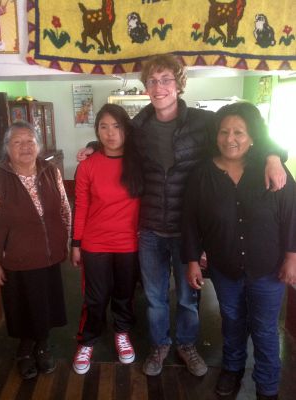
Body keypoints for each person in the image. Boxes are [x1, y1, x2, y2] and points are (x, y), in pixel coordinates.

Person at [77, 54, 287, 377]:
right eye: (152, 81)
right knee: (156, 298)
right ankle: (160, 344)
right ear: (145, 86)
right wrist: (92, 145)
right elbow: (112, 142)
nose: (158, 87)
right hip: (149, 228)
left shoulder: (204, 123)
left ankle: (186, 344)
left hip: (189, 229)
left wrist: (275, 154)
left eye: (165, 80)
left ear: (178, 84)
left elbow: (246, 131)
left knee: (189, 298)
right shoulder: (137, 127)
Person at [182, 102, 296, 400]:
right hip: (224, 268)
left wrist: (292, 258)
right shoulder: (202, 174)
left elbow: (292, 216)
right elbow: (190, 221)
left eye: (239, 132)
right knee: (231, 323)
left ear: (253, 136)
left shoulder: (272, 169)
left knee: (265, 329)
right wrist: (192, 261)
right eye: (224, 132)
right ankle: (232, 370)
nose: (230, 138)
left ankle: (267, 384)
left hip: (268, 269)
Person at [71, 104, 143, 375]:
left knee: (124, 294)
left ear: (126, 129)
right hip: (95, 243)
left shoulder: (139, 162)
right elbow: (81, 207)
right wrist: (76, 244)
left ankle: (122, 332)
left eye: (116, 126)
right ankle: (87, 341)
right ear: (97, 131)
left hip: (129, 243)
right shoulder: (88, 166)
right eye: (103, 127)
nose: (110, 133)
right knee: (96, 297)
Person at [0, 121, 71, 380]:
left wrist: (66, 240)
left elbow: (64, 207)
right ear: (7, 148)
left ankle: (42, 345)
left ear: (38, 145)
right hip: (14, 255)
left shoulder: (50, 170)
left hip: (48, 253)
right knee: (20, 305)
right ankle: (24, 349)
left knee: (45, 303)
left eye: (30, 141)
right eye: (17, 142)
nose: (25, 147)